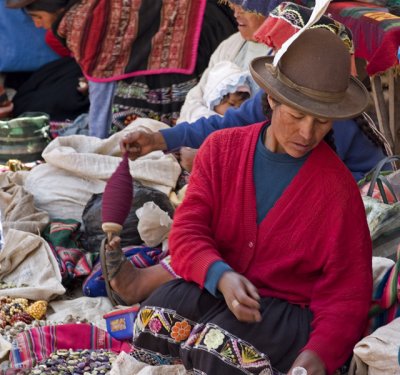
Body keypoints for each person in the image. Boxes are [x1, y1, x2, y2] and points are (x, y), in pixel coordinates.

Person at [130, 28, 373, 375]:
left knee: (219, 353)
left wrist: (320, 353)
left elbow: (347, 294)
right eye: (296, 116)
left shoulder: (338, 191)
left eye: (321, 122)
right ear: (271, 100)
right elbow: (186, 234)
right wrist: (220, 275)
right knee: (154, 321)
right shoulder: (221, 150)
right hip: (220, 289)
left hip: (286, 314)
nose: (307, 133)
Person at [6, 0, 237, 138]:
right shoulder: (83, 12)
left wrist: (97, 141)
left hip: (195, 32)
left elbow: (101, 86)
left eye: (38, 17)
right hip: (196, 25)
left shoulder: (81, 24)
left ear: (52, 8)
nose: (37, 24)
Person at [179, 60, 251, 172]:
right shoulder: (202, 116)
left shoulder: (241, 122)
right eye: (231, 104)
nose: (236, 109)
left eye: (240, 106)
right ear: (215, 99)